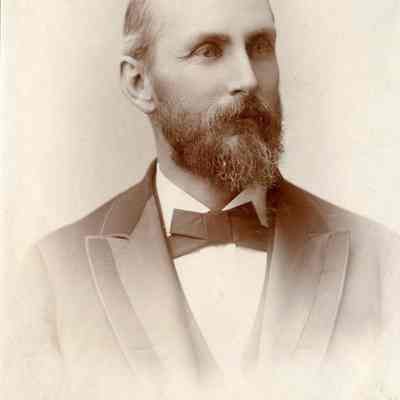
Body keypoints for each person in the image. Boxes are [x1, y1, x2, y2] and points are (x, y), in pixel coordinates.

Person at [4, 0, 400, 399]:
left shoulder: (381, 261)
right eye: (208, 51)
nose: (247, 78)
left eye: (260, 46)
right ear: (139, 83)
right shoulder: (55, 275)